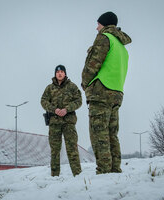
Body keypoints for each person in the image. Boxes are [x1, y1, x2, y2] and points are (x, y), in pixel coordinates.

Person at [81, 12, 132, 174]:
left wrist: (85, 84)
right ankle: (115, 170)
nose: (96, 28)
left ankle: (103, 172)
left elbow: (92, 65)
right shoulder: (122, 47)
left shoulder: (105, 38)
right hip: (117, 94)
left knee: (99, 133)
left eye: (98, 24)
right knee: (111, 134)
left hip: (101, 91)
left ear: (105, 24)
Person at [41, 65, 82, 176]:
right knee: (55, 150)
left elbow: (79, 101)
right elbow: (43, 101)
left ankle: (77, 175)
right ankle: (54, 177)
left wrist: (67, 109)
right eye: (58, 72)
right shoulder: (49, 88)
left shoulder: (72, 87)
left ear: (65, 74)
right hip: (54, 123)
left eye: (62, 72)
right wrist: (54, 109)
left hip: (68, 122)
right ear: (55, 74)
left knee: (72, 148)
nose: (59, 73)